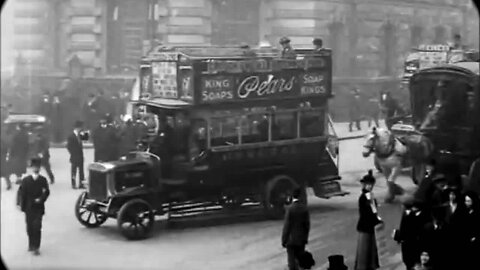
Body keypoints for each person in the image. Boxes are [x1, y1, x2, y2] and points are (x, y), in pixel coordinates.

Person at [16, 157, 50, 256]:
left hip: (38, 207)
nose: (36, 169)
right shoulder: (26, 180)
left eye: (38, 167)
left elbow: (46, 191)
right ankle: (31, 244)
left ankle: (36, 247)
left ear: (39, 168)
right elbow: (21, 193)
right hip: (28, 207)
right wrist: (20, 204)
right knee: (29, 227)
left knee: (37, 226)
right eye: (35, 167)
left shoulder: (43, 180)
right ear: (32, 168)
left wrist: (41, 198)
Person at [354, 170, 382, 270]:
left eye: (371, 184)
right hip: (365, 227)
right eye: (368, 184)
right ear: (364, 185)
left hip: (371, 227)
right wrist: (375, 219)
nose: (370, 186)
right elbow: (366, 213)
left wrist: (377, 219)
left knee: (371, 249)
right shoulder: (363, 198)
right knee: (364, 250)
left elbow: (374, 211)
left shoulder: (371, 196)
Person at [394, 199, 428, 269]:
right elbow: (403, 228)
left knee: (412, 262)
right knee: (408, 261)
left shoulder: (417, 216)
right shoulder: (407, 214)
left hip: (413, 243)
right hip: (407, 243)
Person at [281, 187, 310, 270]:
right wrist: (305, 238)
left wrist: (284, 240)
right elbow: (307, 225)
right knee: (301, 260)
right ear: (300, 196)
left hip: (291, 240)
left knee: (291, 261)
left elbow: (287, 226)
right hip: (301, 240)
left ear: (292, 196)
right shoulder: (304, 208)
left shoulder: (289, 209)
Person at [66, 121, 86, 189]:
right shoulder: (71, 136)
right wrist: (73, 153)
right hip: (74, 156)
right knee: (74, 171)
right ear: (77, 128)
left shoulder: (80, 135)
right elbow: (68, 146)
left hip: (80, 156)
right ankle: (73, 184)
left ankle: (81, 183)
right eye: (80, 128)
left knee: (81, 171)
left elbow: (85, 139)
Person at [463, 191, 480, 269]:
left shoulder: (478, 212)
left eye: (468, 201)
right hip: (466, 240)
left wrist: (475, 237)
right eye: (465, 201)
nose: (466, 203)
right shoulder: (465, 212)